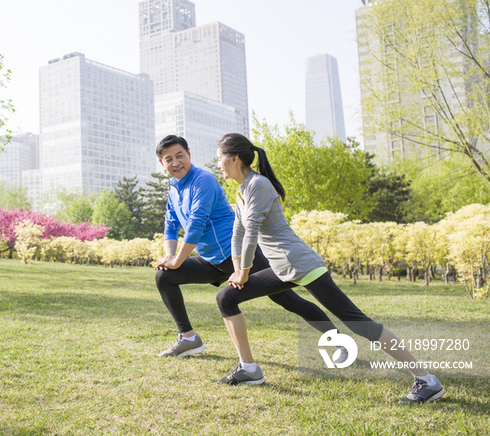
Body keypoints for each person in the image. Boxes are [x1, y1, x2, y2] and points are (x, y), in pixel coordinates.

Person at [214, 132, 445, 403]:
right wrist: (238, 267)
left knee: (360, 324)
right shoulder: (243, 190)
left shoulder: (259, 185)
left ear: (234, 158)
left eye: (219, 158)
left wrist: (244, 271)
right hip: (282, 268)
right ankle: (250, 369)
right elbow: (237, 234)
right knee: (226, 297)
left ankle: (427, 380)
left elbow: (252, 231)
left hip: (301, 264)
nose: (218, 164)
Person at [154, 135, 340, 361]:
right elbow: (170, 225)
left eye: (179, 155)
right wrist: (170, 256)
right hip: (211, 261)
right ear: (162, 163)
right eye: (168, 159)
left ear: (189, 153)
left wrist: (178, 260)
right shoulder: (174, 189)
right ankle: (188, 339)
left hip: (238, 255)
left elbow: (196, 225)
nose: (175, 162)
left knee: (288, 300)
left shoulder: (203, 180)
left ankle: (338, 343)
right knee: (164, 276)